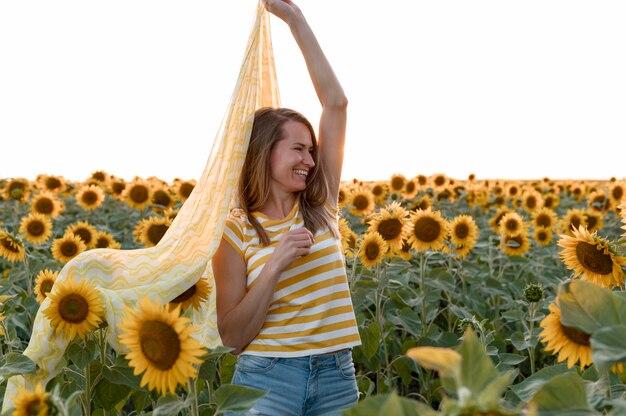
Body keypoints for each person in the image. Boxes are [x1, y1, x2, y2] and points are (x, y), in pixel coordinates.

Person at [211, 0, 361, 415]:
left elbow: (337, 104)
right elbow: (232, 337)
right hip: (265, 379)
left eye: (312, 151)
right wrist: (276, 261)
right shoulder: (234, 230)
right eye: (298, 148)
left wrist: (295, 19)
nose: (310, 161)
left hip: (337, 376)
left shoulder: (320, 206)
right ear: (264, 152)